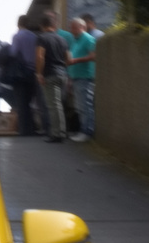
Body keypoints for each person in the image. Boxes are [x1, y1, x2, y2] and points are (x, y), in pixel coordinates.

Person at [35, 10, 70, 144]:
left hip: (50, 74)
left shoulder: (42, 38)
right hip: (62, 74)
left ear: (42, 26)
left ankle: (57, 134)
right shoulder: (62, 39)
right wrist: (62, 68)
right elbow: (68, 58)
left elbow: (40, 56)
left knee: (52, 105)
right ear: (53, 25)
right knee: (59, 104)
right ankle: (61, 131)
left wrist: (39, 73)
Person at [7, 15, 42, 136]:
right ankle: (32, 128)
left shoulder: (17, 36)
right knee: (29, 101)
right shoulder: (34, 37)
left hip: (21, 73)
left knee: (21, 102)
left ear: (18, 24)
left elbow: (13, 53)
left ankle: (24, 130)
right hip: (33, 72)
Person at [67, 17, 97, 140]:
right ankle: (82, 130)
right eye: (71, 27)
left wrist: (76, 60)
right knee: (80, 106)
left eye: (74, 27)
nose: (72, 30)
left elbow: (93, 56)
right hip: (76, 77)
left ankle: (87, 132)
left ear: (82, 27)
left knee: (85, 106)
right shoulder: (76, 40)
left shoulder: (88, 39)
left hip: (85, 77)